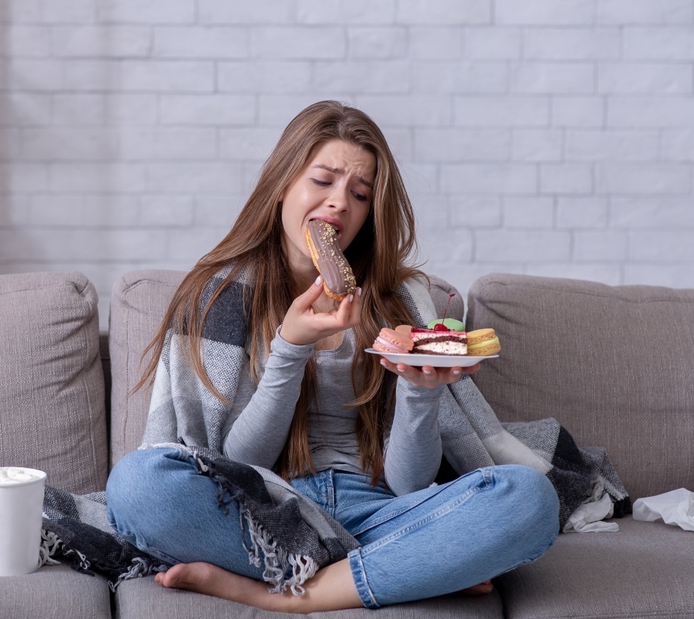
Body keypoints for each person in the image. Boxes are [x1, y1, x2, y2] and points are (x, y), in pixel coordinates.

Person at [105, 100, 560, 613]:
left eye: (359, 194)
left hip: (381, 513)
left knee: (529, 498)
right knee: (137, 484)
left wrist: (420, 389)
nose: (340, 202)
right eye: (322, 180)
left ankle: (293, 594)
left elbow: (408, 483)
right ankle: (400, 569)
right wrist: (289, 348)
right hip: (269, 513)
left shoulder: (400, 302)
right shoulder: (219, 298)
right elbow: (239, 463)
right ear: (283, 185)